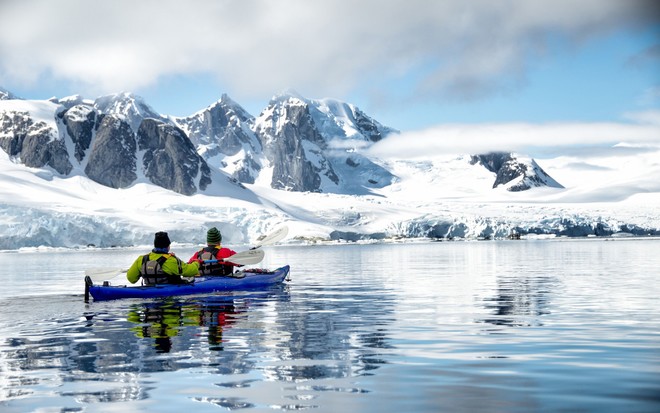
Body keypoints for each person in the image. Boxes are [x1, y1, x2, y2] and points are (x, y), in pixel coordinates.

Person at [127, 231, 200, 285]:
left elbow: (131, 279)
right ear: (168, 246)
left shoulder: (142, 259)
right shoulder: (171, 260)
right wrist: (196, 263)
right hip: (170, 297)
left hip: (148, 294)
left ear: (155, 245)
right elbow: (192, 271)